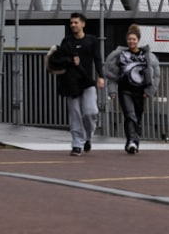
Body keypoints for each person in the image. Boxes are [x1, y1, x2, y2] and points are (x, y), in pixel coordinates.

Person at [48, 12, 105, 156]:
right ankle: (76, 144)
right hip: (71, 83)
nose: (73, 25)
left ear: (83, 24)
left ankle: (88, 136)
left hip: (87, 81)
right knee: (75, 113)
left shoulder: (91, 40)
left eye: (76, 22)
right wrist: (70, 61)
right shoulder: (66, 41)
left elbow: (97, 58)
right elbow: (58, 58)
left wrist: (101, 76)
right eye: (71, 23)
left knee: (90, 112)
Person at [104, 23, 161, 154]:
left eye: (134, 39)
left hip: (140, 91)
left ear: (138, 40)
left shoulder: (146, 56)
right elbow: (112, 74)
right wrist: (112, 90)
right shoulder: (121, 55)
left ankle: (134, 140)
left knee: (137, 117)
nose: (131, 41)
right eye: (129, 39)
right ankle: (131, 142)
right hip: (124, 90)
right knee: (130, 115)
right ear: (126, 40)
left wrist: (150, 91)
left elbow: (156, 74)